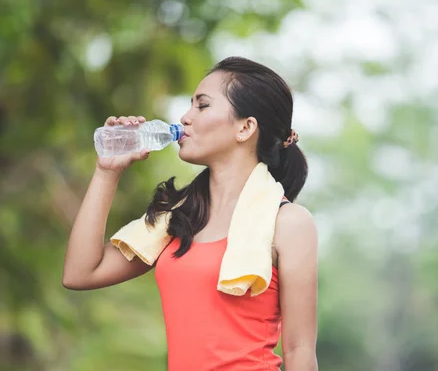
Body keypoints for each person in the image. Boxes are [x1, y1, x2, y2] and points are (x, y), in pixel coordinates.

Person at [62, 57, 319, 370]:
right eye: (190, 105)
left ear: (245, 127)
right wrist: (106, 173)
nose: (185, 117)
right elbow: (79, 273)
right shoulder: (175, 220)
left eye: (203, 106)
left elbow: (300, 351)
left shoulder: (288, 223)